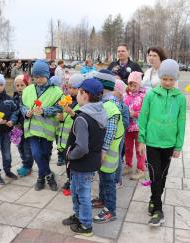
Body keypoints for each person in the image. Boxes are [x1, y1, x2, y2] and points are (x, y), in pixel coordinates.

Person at [138, 59, 186, 226]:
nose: (167, 82)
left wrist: (178, 146)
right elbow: (143, 117)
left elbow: (181, 122)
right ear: (160, 77)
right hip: (152, 142)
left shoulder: (180, 98)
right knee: (154, 174)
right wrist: (141, 140)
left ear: (176, 79)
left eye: (171, 79)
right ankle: (158, 209)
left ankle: (153, 199)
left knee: (162, 175)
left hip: (169, 144)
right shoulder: (151, 94)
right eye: (164, 78)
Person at [62, 78, 107, 236]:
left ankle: (86, 225)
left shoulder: (82, 118)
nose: (76, 96)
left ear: (84, 94)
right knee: (77, 192)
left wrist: (69, 155)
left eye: (79, 93)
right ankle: (78, 216)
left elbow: (81, 147)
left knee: (82, 194)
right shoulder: (99, 112)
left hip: (81, 163)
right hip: (91, 162)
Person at [21, 60, 63, 191]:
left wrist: (45, 111)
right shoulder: (27, 90)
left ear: (47, 75)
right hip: (32, 129)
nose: (37, 79)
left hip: (47, 130)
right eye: (35, 76)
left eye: (40, 76)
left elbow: (60, 107)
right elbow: (22, 105)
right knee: (36, 154)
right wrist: (25, 112)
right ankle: (49, 175)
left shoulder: (56, 91)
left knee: (45, 154)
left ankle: (40, 178)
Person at [92, 70, 124, 223]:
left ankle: (110, 210)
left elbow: (110, 130)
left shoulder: (110, 106)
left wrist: (103, 150)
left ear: (102, 87)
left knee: (108, 180)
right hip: (106, 151)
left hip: (108, 152)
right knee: (103, 177)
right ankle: (102, 199)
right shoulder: (108, 102)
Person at [56, 74, 85, 195]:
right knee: (67, 162)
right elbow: (64, 119)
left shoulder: (83, 103)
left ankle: (72, 181)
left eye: (74, 88)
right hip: (63, 138)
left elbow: (82, 121)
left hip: (74, 139)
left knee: (73, 163)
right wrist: (61, 117)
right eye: (69, 87)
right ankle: (71, 179)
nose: (71, 90)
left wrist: (71, 113)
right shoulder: (66, 100)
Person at [123, 71, 146, 180]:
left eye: (134, 85)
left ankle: (141, 169)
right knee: (127, 147)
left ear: (139, 84)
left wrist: (135, 114)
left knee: (139, 149)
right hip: (127, 127)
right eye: (130, 85)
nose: (132, 87)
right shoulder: (125, 96)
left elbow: (146, 113)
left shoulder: (143, 96)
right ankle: (128, 165)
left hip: (138, 128)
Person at [13, 74, 34, 177]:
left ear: (27, 86)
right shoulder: (14, 98)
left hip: (26, 128)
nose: (20, 87)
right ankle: (24, 163)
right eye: (17, 85)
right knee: (19, 147)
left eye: (22, 85)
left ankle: (28, 166)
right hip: (16, 128)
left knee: (27, 148)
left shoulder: (29, 98)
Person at [112, 78, 129, 187]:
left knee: (117, 157)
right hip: (111, 134)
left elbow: (126, 122)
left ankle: (117, 180)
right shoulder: (110, 103)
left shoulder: (123, 107)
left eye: (112, 90)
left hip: (119, 135)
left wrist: (118, 125)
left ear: (119, 93)